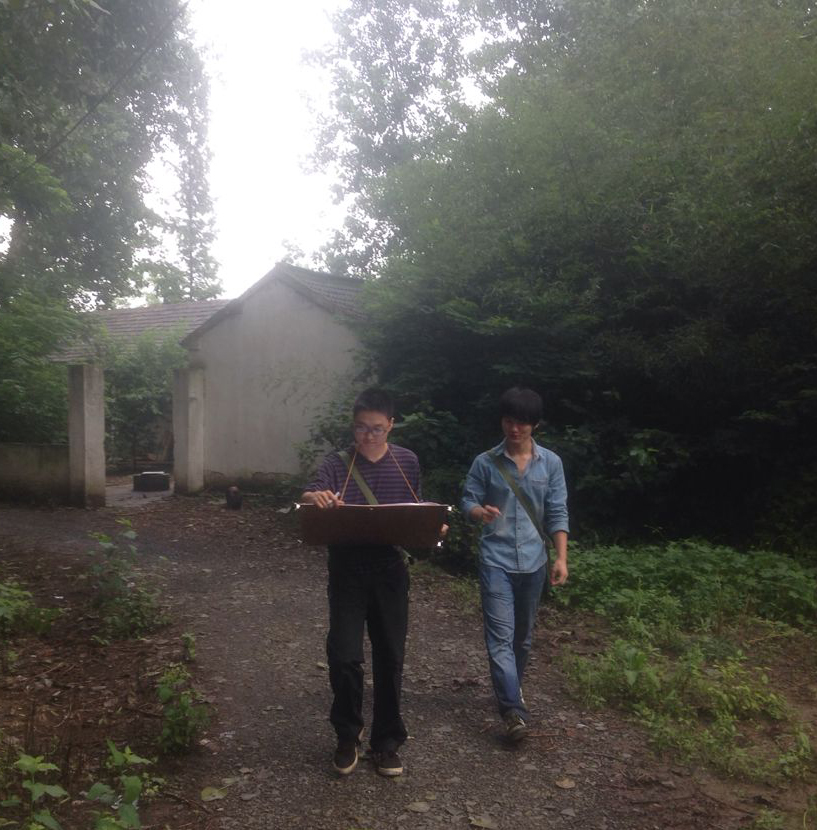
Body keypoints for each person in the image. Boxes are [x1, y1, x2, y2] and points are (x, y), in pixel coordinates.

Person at [300, 388, 422, 778]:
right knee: (344, 654)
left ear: (391, 425)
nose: (368, 436)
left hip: (389, 570)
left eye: (376, 429)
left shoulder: (407, 461)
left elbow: (415, 512)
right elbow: (309, 494)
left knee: (390, 656)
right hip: (347, 570)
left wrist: (432, 527)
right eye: (360, 428)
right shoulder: (337, 464)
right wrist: (316, 498)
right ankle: (347, 733)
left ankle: (387, 741)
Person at [461, 387, 569, 742]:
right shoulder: (485, 462)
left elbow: (557, 512)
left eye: (522, 422)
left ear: (535, 424)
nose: (514, 428)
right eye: (509, 420)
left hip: (534, 561)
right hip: (496, 559)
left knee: (522, 639)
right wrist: (480, 512)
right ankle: (512, 709)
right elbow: (467, 501)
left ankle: (511, 689)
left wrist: (561, 558)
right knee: (500, 637)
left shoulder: (550, 463)